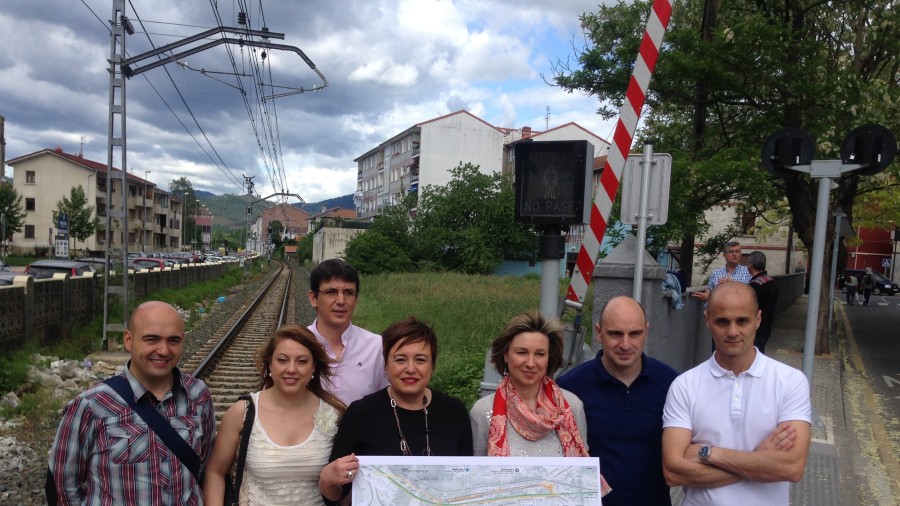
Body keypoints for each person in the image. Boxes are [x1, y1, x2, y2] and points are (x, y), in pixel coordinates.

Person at [47, 301, 215, 504]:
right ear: (128, 340)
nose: (163, 350)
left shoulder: (198, 395)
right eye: (151, 339)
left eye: (173, 340)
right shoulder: (91, 405)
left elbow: (203, 464)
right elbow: (62, 486)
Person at [662, 282, 811, 505]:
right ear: (707, 320)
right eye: (722, 321)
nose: (732, 331)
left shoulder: (790, 381)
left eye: (742, 320)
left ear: (758, 319)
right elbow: (673, 473)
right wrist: (760, 459)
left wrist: (710, 454)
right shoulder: (684, 385)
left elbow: (792, 468)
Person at [319, 317, 473, 504]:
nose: (410, 369)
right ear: (385, 365)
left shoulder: (454, 412)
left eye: (420, 360)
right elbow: (337, 498)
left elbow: (468, 483)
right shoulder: (360, 414)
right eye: (400, 359)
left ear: (432, 366)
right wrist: (328, 482)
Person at [203, 325, 345, 505]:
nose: (291, 369)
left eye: (302, 361)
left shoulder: (334, 414)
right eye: (282, 360)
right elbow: (215, 471)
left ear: (314, 367)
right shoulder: (242, 412)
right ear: (270, 363)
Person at [470, 311, 610, 494]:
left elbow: (581, 474)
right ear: (505, 355)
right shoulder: (483, 412)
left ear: (549, 357)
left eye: (540, 354)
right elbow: (474, 480)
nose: (530, 363)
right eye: (521, 352)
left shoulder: (571, 406)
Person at [557, 297, 679, 506]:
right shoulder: (569, 389)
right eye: (615, 334)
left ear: (646, 332)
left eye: (635, 334)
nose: (625, 344)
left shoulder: (672, 385)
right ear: (599, 332)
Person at [307, 259, 388, 405]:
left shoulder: (377, 347)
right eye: (331, 292)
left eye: (348, 293)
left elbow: (388, 402)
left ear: (356, 300)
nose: (341, 300)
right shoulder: (298, 345)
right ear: (313, 298)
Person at [747, 251, 778, 354]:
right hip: (766, 327)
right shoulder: (771, 281)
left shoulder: (755, 285)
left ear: (750, 265)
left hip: (755, 329)